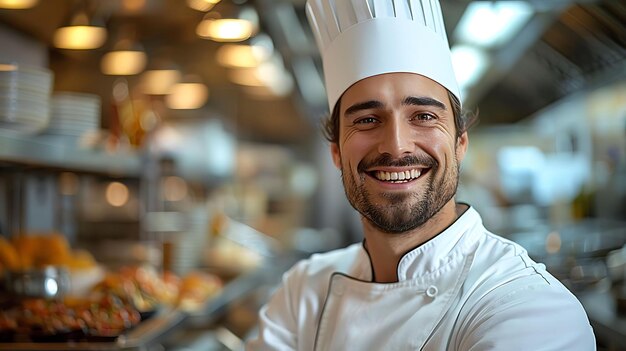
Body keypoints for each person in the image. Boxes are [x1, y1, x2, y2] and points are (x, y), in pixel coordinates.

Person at [246, 0, 596, 349]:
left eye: (424, 116)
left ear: (460, 143)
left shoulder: (528, 309)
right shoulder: (303, 293)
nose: (396, 147)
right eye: (367, 119)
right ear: (336, 151)